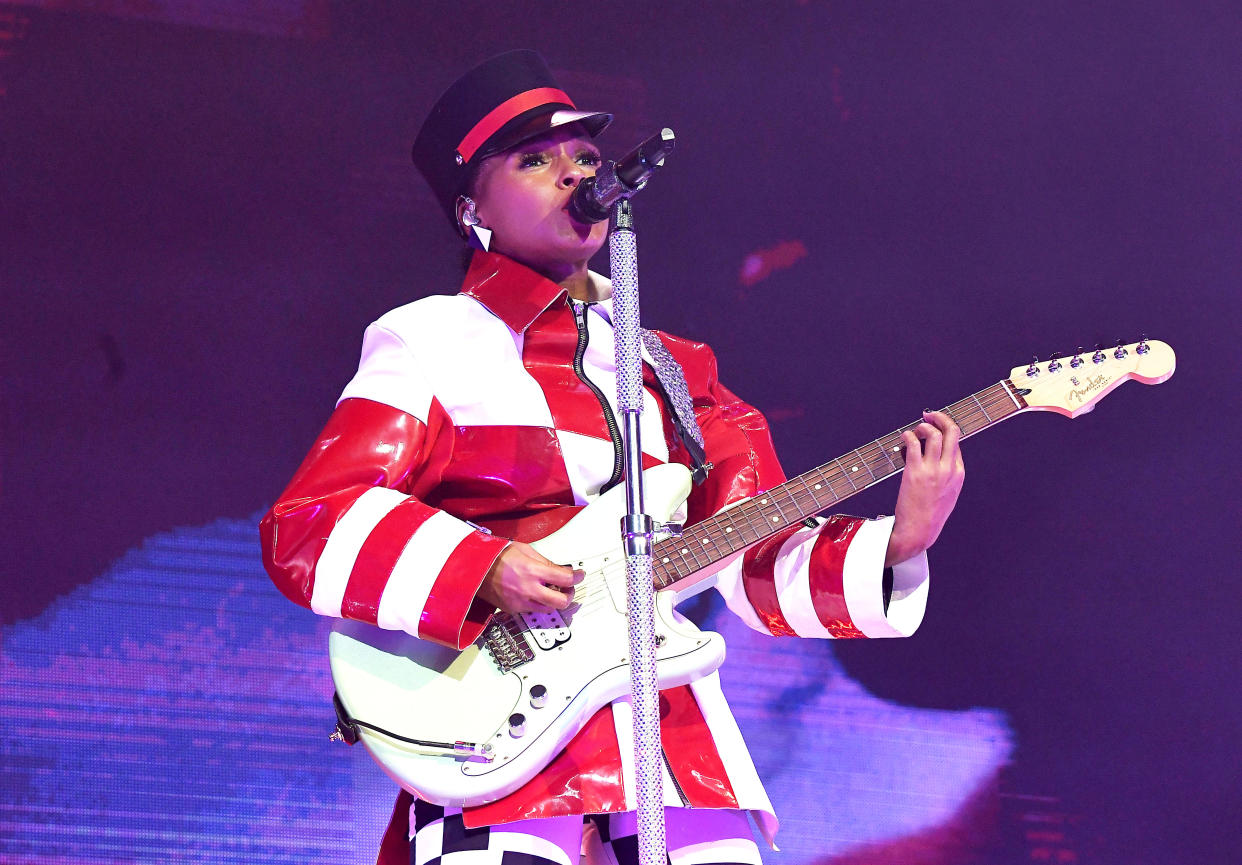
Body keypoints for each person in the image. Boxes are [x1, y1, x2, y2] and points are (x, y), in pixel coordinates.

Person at [260, 50, 964, 865]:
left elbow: (751, 553)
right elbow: (311, 522)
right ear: (469, 210)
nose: (576, 174)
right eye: (534, 160)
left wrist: (899, 545)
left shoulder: (677, 367)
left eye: (587, 158)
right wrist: (481, 566)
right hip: (497, 740)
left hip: (672, 744)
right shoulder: (429, 342)